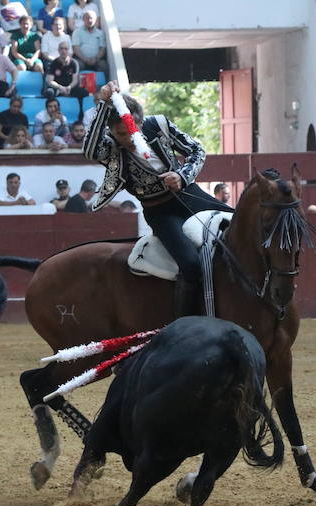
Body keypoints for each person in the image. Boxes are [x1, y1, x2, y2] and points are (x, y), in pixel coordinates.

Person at [84, 81, 233, 315]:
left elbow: (196, 150)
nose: (128, 139)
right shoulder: (112, 147)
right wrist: (103, 104)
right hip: (160, 211)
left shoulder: (158, 125)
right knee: (190, 265)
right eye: (120, 134)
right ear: (111, 131)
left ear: (140, 123)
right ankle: (186, 322)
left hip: (190, 195)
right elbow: (91, 150)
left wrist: (182, 176)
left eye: (131, 131)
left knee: (239, 226)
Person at [44, 41, 88, 118]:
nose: (63, 51)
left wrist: (69, 87)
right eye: (61, 49)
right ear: (58, 50)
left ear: (69, 50)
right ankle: (52, 116)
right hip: (57, 88)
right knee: (48, 92)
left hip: (70, 87)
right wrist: (60, 87)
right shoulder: (54, 63)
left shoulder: (74, 63)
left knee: (84, 93)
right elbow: (50, 81)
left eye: (65, 49)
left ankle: (81, 115)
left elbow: (75, 80)